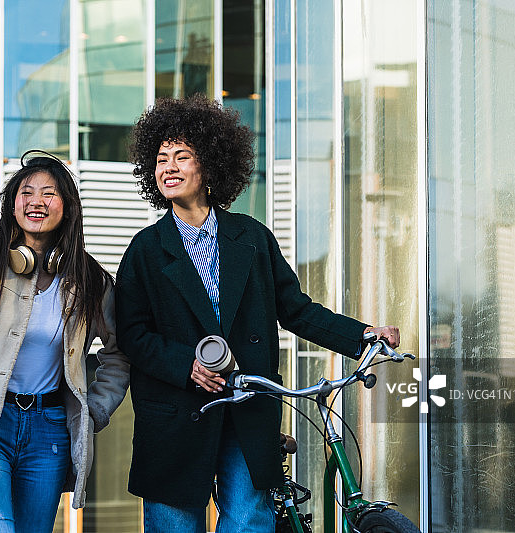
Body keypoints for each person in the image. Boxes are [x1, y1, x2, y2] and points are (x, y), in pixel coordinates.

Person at [115, 96, 400, 533]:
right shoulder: (145, 250)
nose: (168, 167)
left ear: (209, 164)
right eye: (160, 159)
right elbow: (132, 334)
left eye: (182, 156)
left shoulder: (252, 237)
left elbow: (297, 310)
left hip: (247, 407)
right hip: (176, 412)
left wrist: (362, 334)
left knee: (250, 523)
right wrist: (186, 365)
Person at [0, 151, 129, 532]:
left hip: (50, 430)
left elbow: (118, 354)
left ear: (67, 208)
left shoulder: (91, 282)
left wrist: (94, 411)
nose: (37, 201)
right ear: (13, 205)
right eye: (27, 192)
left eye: (49, 193)